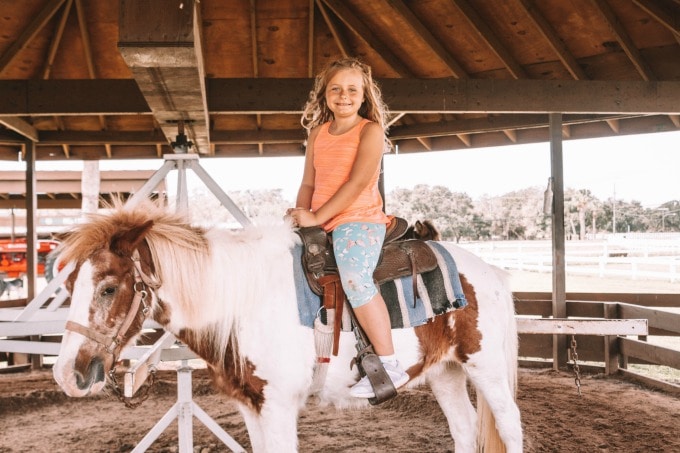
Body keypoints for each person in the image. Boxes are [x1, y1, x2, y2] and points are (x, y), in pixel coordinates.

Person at [286, 58, 409, 398]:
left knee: (355, 276)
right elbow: (308, 183)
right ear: (324, 95)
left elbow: (357, 183)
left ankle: (390, 364)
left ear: (364, 95)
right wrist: (301, 213)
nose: (344, 96)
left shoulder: (369, 130)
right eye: (336, 89)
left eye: (352, 90)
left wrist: (318, 216)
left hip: (359, 219)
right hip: (321, 218)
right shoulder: (317, 134)